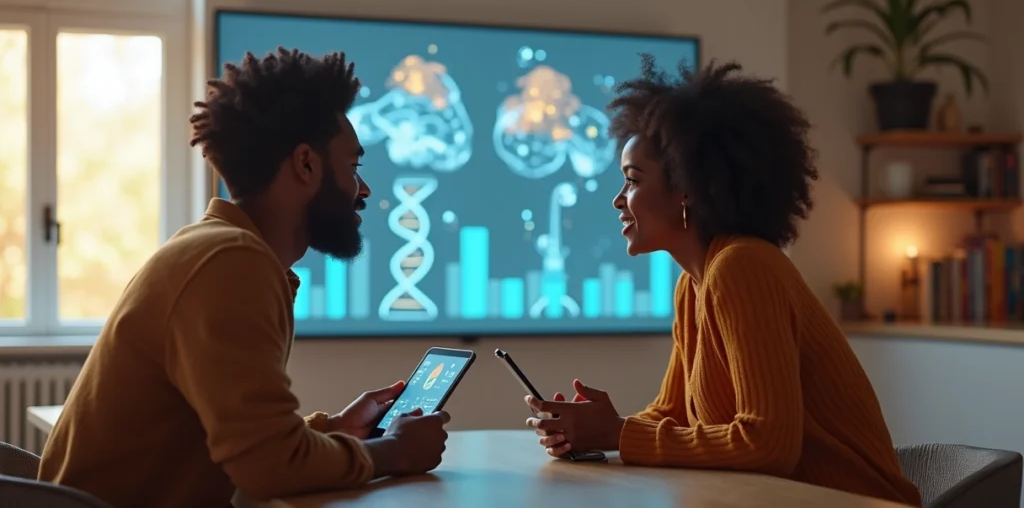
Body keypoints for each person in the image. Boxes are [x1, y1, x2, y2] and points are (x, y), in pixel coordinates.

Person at [38, 48, 450, 508]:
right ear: (306, 164)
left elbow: (235, 445)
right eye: (353, 167)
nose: (364, 189)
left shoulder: (215, 249)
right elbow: (271, 469)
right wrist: (395, 451)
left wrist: (332, 431)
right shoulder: (231, 263)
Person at [524, 56, 922, 507]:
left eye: (632, 180)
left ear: (688, 188)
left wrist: (617, 433)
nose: (618, 200)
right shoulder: (695, 285)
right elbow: (671, 414)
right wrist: (592, 430)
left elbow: (768, 445)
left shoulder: (742, 267)